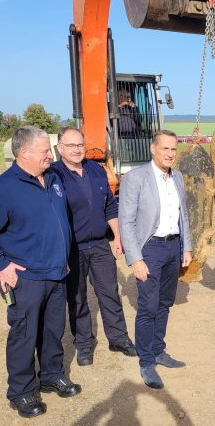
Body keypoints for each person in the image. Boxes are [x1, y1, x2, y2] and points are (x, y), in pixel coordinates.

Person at [0, 126, 81, 418]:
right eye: (45, 151)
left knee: (53, 331)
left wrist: (62, 255)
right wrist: (1, 264)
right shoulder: (2, 189)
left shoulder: (53, 178)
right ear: (24, 153)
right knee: (25, 335)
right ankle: (22, 391)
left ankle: (52, 375)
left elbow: (58, 221)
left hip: (56, 272)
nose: (50, 156)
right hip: (25, 278)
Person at [49, 127, 137, 367]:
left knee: (109, 292)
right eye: (71, 146)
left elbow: (110, 206)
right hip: (72, 248)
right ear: (60, 148)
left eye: (80, 145)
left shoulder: (96, 170)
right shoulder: (53, 175)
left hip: (99, 244)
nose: (77, 150)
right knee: (76, 297)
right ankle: (84, 342)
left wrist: (117, 235)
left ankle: (118, 338)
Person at [118, 130, 192, 389]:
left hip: (173, 248)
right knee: (148, 308)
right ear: (153, 149)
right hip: (149, 249)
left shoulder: (178, 177)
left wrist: (187, 247)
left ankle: (159, 350)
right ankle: (146, 361)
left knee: (164, 304)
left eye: (174, 149)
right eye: (165, 149)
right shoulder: (135, 178)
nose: (170, 154)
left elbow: (184, 214)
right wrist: (135, 258)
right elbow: (126, 221)